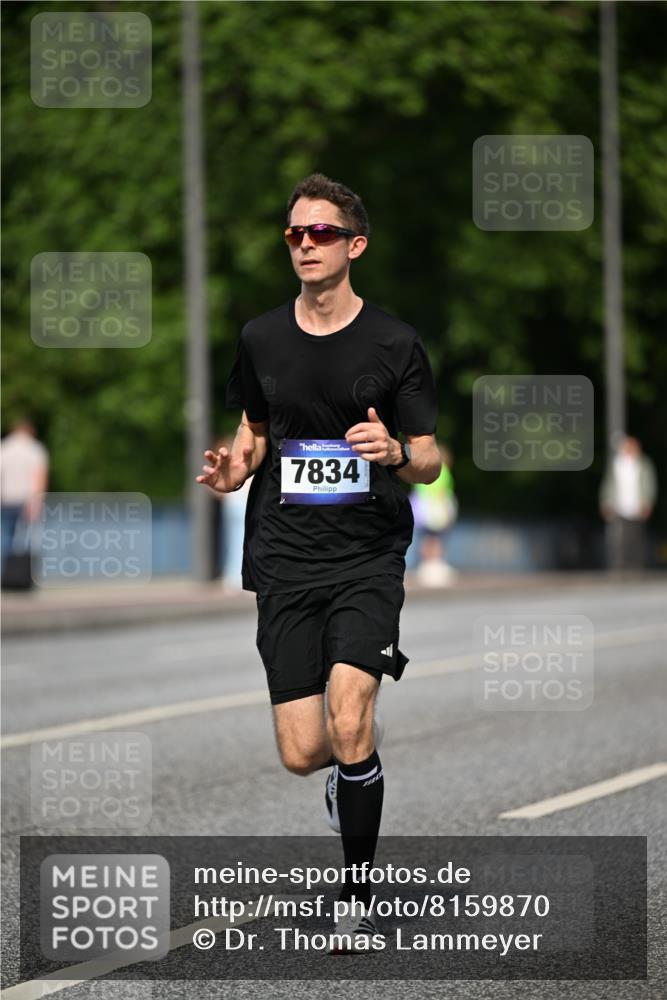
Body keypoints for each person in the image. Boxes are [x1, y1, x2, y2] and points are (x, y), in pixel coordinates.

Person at [196, 173, 441, 949]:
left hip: (367, 556)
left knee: (351, 718)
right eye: (294, 234)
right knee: (306, 752)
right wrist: (234, 471)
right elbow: (255, 432)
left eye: (321, 233)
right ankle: (348, 778)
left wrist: (395, 452)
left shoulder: (394, 343)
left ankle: (357, 896)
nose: (304, 244)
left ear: (354, 246)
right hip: (284, 559)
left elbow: (429, 461)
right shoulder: (261, 337)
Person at [599, 434, 657, 571]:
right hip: (619, 507)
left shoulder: (643, 463)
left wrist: (647, 501)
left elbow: (650, 483)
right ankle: (619, 564)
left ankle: (636, 565)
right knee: (618, 536)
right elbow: (608, 484)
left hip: (637, 506)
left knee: (636, 537)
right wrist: (605, 502)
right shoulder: (616, 464)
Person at [0, 418, 49, 578]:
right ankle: (24, 576)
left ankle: (6, 575)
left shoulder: (4, 449)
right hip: (27, 501)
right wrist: (37, 501)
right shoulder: (35, 450)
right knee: (27, 540)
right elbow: (39, 477)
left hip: (6, 500)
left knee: (5, 539)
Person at [410, 443, 458, 586]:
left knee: (426, 539)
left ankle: (425, 565)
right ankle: (434, 565)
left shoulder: (422, 469)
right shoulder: (442, 471)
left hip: (422, 509)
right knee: (436, 539)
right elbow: (442, 491)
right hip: (435, 509)